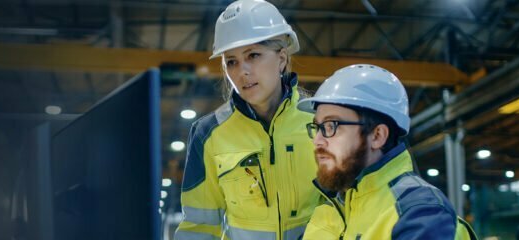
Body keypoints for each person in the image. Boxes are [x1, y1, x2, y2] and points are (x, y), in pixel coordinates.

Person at [174, 0, 322, 239]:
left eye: (253, 55)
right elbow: (199, 228)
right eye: (231, 61)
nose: (242, 71)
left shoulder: (322, 121)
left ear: (282, 59)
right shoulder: (208, 133)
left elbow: (346, 206)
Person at [296, 64, 477, 239]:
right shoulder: (327, 213)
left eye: (331, 126)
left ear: (377, 136)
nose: (318, 140)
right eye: (317, 127)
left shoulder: (420, 213)